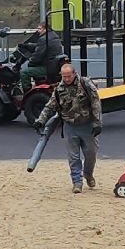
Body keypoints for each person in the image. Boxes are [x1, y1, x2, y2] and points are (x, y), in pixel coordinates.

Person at [37, 59, 103, 193]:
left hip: (87, 124)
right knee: (73, 157)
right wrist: (41, 120)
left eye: (68, 76)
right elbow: (50, 106)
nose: (66, 79)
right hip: (69, 126)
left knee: (91, 154)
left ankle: (88, 174)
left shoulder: (85, 84)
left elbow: (96, 102)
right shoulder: (58, 90)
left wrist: (97, 122)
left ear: (74, 74)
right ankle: (77, 182)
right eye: (64, 76)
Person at [14, 21, 65, 85]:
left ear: (45, 29)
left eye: (39, 29)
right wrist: (26, 45)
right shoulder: (53, 36)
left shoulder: (43, 39)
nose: (38, 31)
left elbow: (37, 57)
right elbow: (39, 46)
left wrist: (30, 61)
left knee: (24, 72)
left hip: (47, 67)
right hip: (54, 66)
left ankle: (27, 92)